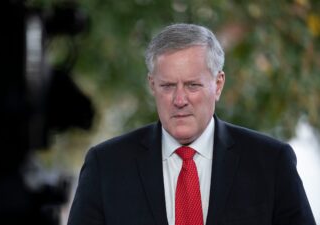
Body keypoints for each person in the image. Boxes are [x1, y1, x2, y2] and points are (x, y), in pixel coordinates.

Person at [67, 23, 316, 225]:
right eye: (167, 86)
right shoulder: (106, 165)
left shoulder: (271, 162)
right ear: (152, 85)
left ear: (218, 85)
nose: (179, 100)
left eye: (192, 85)